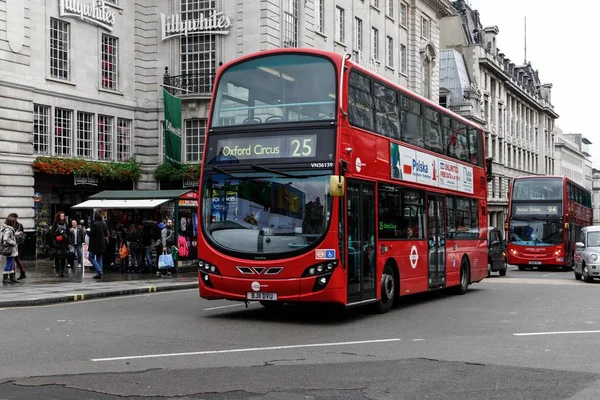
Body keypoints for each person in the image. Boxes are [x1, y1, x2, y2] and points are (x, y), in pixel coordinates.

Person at [50, 211, 70, 277]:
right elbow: (52, 233)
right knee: (57, 257)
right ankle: (57, 272)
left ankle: (62, 272)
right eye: (61, 216)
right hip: (57, 243)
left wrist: (68, 241)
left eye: (63, 216)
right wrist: (58, 233)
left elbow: (68, 232)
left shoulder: (66, 224)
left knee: (63, 257)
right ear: (59, 216)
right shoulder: (55, 224)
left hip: (64, 243)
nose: (63, 217)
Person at [88, 212, 107, 279]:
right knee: (99, 258)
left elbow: (91, 233)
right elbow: (106, 233)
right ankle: (99, 274)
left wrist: (87, 231)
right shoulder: (104, 224)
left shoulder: (94, 224)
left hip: (95, 244)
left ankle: (99, 270)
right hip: (102, 244)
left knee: (90, 257)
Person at [1, 216, 20, 284]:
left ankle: (12, 277)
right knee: (9, 263)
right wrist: (13, 243)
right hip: (10, 249)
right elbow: (6, 238)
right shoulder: (8, 229)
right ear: (12, 222)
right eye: (14, 222)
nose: (15, 223)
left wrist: (15, 234)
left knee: (11, 263)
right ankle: (5, 278)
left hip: (11, 249)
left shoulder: (8, 229)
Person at [8, 213, 26, 279]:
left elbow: (21, 233)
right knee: (16, 259)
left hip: (16, 244)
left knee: (14, 259)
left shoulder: (17, 225)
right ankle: (22, 273)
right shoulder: (16, 225)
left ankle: (13, 275)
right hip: (15, 244)